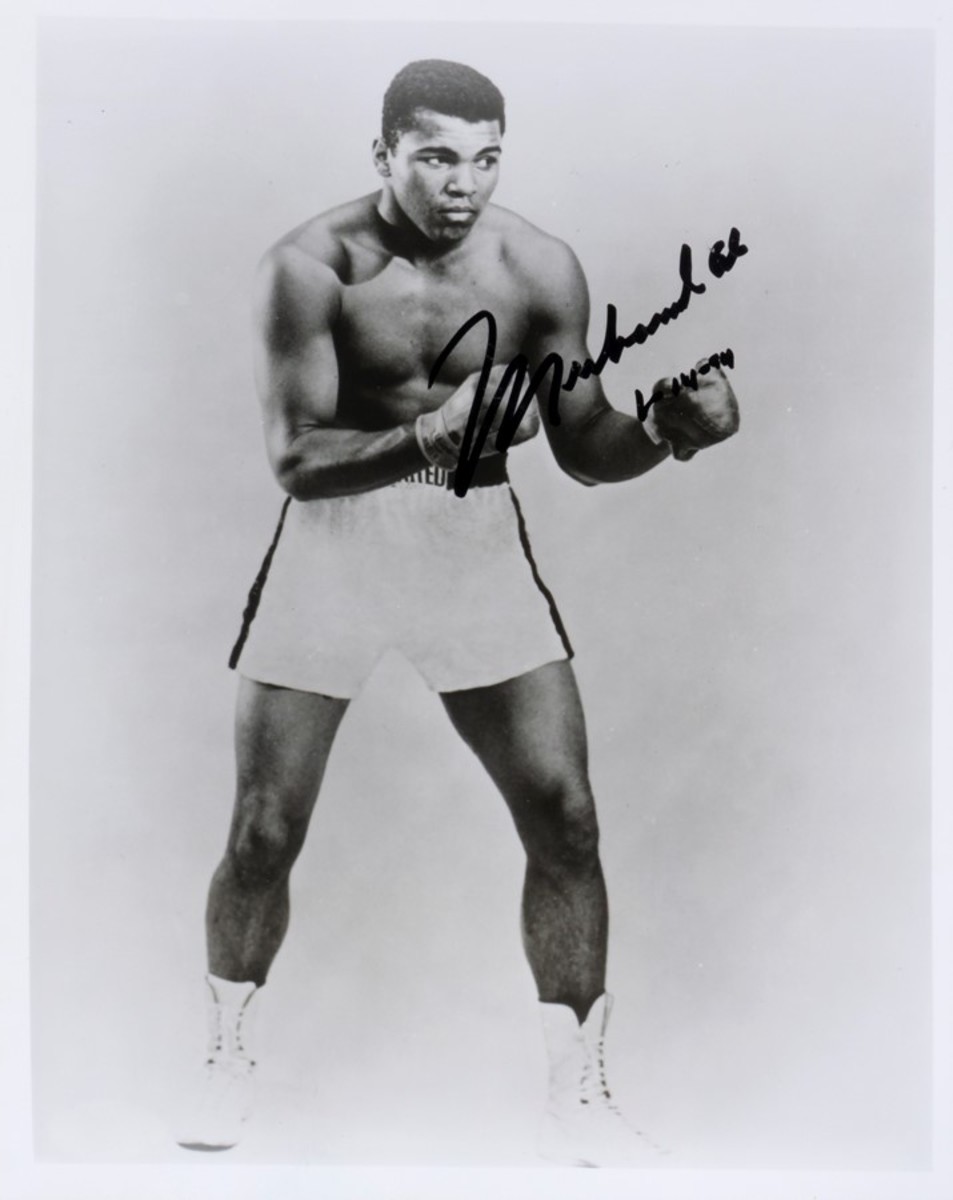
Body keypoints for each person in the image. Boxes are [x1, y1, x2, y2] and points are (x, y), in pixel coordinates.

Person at [176, 58, 739, 1165]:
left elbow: (585, 452)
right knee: (263, 830)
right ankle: (224, 1057)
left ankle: (577, 1094)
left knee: (565, 815)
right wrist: (431, 434)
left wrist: (668, 434)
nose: (462, 183)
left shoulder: (537, 269)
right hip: (333, 547)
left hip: (470, 546)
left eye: (484, 158)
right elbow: (295, 459)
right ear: (380, 153)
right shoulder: (307, 267)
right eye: (435, 156)